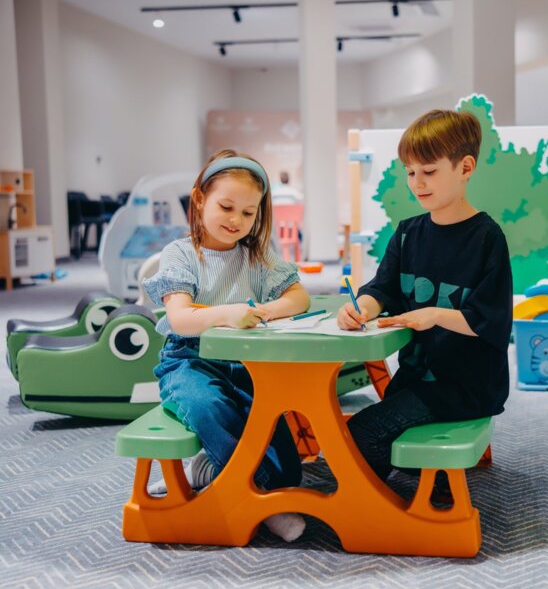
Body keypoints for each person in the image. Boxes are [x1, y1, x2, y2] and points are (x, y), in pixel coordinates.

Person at [336, 109, 513, 490]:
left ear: (465, 167)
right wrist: (361, 308)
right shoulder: (407, 233)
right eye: (410, 172)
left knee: (361, 435)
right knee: (361, 435)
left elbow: (492, 321)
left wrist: (435, 315)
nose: (417, 183)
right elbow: (382, 288)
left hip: (466, 386)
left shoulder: (486, 238)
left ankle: (370, 509)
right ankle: (426, 478)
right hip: (416, 380)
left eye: (428, 172)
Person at [142, 149, 310, 542]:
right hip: (190, 360)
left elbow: (299, 298)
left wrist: (267, 309)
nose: (237, 220)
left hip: (247, 364)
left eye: (248, 213)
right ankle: (264, 498)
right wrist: (228, 313)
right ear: (199, 199)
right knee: (210, 407)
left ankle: (217, 470)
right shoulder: (181, 253)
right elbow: (181, 317)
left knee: (284, 449)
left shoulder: (256, 254)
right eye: (227, 207)